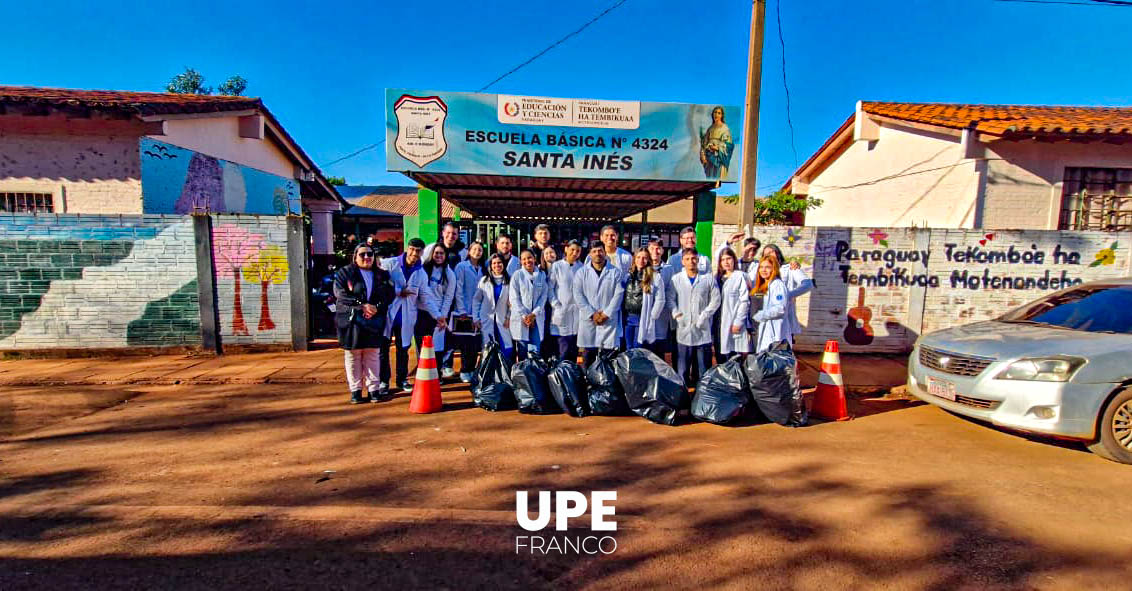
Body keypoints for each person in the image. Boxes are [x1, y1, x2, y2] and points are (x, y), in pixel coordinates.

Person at [334, 243, 395, 404]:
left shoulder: (382, 274)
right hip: (351, 320)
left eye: (370, 254)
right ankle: (355, 390)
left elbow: (389, 295)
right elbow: (340, 294)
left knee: (373, 354)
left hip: (374, 320)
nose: (367, 257)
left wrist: (376, 307)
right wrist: (361, 305)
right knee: (353, 354)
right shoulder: (345, 273)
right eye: (362, 254)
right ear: (355, 257)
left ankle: (373, 389)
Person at [380, 238, 439, 392]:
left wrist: (438, 315)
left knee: (403, 348)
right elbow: (379, 287)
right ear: (408, 248)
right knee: (383, 349)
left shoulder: (421, 273)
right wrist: (398, 292)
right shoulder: (390, 264)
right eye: (412, 249)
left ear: (422, 253)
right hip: (388, 315)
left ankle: (402, 379)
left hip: (406, 317)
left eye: (418, 251)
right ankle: (383, 382)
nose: (414, 253)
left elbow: (426, 296)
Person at [670, 247, 720, 387]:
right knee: (682, 369)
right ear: (682, 261)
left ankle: (702, 396)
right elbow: (670, 299)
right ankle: (684, 398)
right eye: (687, 259)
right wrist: (676, 314)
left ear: (698, 260)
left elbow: (716, 300)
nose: (691, 262)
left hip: (702, 330)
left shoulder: (707, 279)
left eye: (693, 259)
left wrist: (705, 315)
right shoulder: (676, 279)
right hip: (684, 328)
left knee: (703, 369)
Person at [424, 222, 467, 378]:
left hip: (453, 300)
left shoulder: (463, 252)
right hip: (432, 302)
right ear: (443, 233)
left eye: (454, 233)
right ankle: (431, 367)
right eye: (448, 233)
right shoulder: (431, 249)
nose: (451, 236)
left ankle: (446, 364)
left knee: (450, 334)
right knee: (431, 334)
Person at [575, 241, 626, 367]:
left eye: (600, 251)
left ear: (604, 252)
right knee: (587, 360)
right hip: (589, 321)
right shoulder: (581, 273)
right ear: (589, 254)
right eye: (594, 251)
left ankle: (607, 386)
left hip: (608, 321)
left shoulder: (615, 272)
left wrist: (606, 314)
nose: (597, 254)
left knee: (608, 361)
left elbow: (618, 295)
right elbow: (578, 295)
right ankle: (587, 385)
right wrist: (592, 314)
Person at [755, 244, 814, 343]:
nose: (769, 255)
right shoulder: (763, 271)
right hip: (766, 317)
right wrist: (755, 296)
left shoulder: (789, 268)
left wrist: (788, 295)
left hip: (784, 317)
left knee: (782, 350)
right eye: (766, 254)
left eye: (771, 252)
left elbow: (808, 284)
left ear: (777, 253)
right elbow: (762, 293)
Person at [452, 241, 486, 383]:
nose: (477, 252)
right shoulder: (461, 266)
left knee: (476, 342)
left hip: (479, 311)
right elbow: (458, 288)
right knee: (466, 343)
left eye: (480, 250)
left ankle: (473, 369)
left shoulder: (483, 268)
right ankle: (465, 369)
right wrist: (462, 310)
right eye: (474, 249)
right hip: (465, 311)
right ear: (469, 251)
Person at [418, 242, 455, 368]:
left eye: (442, 253)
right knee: (422, 346)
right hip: (422, 313)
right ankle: (423, 375)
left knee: (437, 346)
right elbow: (422, 294)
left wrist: (442, 316)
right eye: (436, 253)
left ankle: (436, 374)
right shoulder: (423, 270)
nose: (439, 256)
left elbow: (449, 297)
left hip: (439, 316)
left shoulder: (449, 273)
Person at [623, 248, 666, 354]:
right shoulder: (628, 275)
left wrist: (652, 316)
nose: (641, 260)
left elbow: (660, 299)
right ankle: (629, 370)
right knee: (628, 348)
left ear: (648, 260)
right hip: (627, 319)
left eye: (644, 258)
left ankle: (637, 370)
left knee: (638, 348)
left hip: (642, 318)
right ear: (634, 258)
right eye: (638, 257)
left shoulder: (654, 276)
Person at [509, 249, 549, 361]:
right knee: (522, 350)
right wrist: (525, 316)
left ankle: (535, 375)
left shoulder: (541, 275)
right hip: (522, 318)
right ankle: (523, 376)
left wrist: (534, 315)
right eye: (524, 259)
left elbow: (543, 297)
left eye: (529, 257)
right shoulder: (517, 275)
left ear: (534, 258)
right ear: (521, 261)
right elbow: (514, 298)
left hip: (536, 317)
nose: (527, 261)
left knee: (535, 349)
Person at [473, 253, 514, 361]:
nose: (497, 265)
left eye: (499, 262)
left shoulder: (510, 281)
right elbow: (477, 300)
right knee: (487, 349)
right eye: (494, 263)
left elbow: (512, 302)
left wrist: (508, 317)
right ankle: (490, 374)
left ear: (503, 264)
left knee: (507, 348)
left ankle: (504, 373)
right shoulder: (484, 280)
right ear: (490, 266)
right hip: (486, 319)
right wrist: (476, 318)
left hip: (503, 320)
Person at [548, 239, 584, 363]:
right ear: (566, 249)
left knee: (574, 352)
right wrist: (556, 305)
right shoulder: (557, 266)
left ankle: (572, 378)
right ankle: (559, 378)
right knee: (562, 351)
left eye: (578, 251)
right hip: (561, 312)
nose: (575, 253)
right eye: (572, 249)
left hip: (577, 314)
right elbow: (550, 288)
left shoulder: (582, 267)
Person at [714, 247, 751, 362]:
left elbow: (744, 301)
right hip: (718, 323)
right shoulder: (717, 278)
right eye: (723, 259)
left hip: (733, 323)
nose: (726, 262)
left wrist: (738, 322)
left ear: (734, 260)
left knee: (734, 357)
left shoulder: (740, 276)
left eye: (728, 258)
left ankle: (736, 380)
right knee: (720, 356)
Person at [648, 238, 678, 364]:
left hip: (662, 315)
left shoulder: (669, 269)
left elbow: (671, 291)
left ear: (662, 250)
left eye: (658, 248)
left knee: (660, 349)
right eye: (652, 248)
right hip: (646, 313)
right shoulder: (643, 267)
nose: (655, 251)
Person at [752, 256, 788, 353]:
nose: (763, 270)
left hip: (773, 331)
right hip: (760, 329)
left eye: (767, 267)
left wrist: (761, 315)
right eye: (761, 267)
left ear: (774, 269)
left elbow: (780, 308)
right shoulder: (762, 285)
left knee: (770, 361)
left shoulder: (777, 285)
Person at [700, 105, 734, 179]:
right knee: (711, 178)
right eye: (715, 112)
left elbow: (729, 146)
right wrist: (703, 155)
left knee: (718, 176)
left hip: (719, 159)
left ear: (722, 115)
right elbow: (704, 144)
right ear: (712, 114)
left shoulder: (725, 128)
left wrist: (717, 148)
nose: (716, 114)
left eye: (719, 113)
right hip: (710, 158)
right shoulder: (710, 129)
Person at [538, 245, 559, 359]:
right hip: (543, 307)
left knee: (555, 334)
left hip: (557, 306)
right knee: (544, 333)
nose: (549, 255)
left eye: (552, 252)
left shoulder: (562, 268)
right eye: (546, 253)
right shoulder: (539, 270)